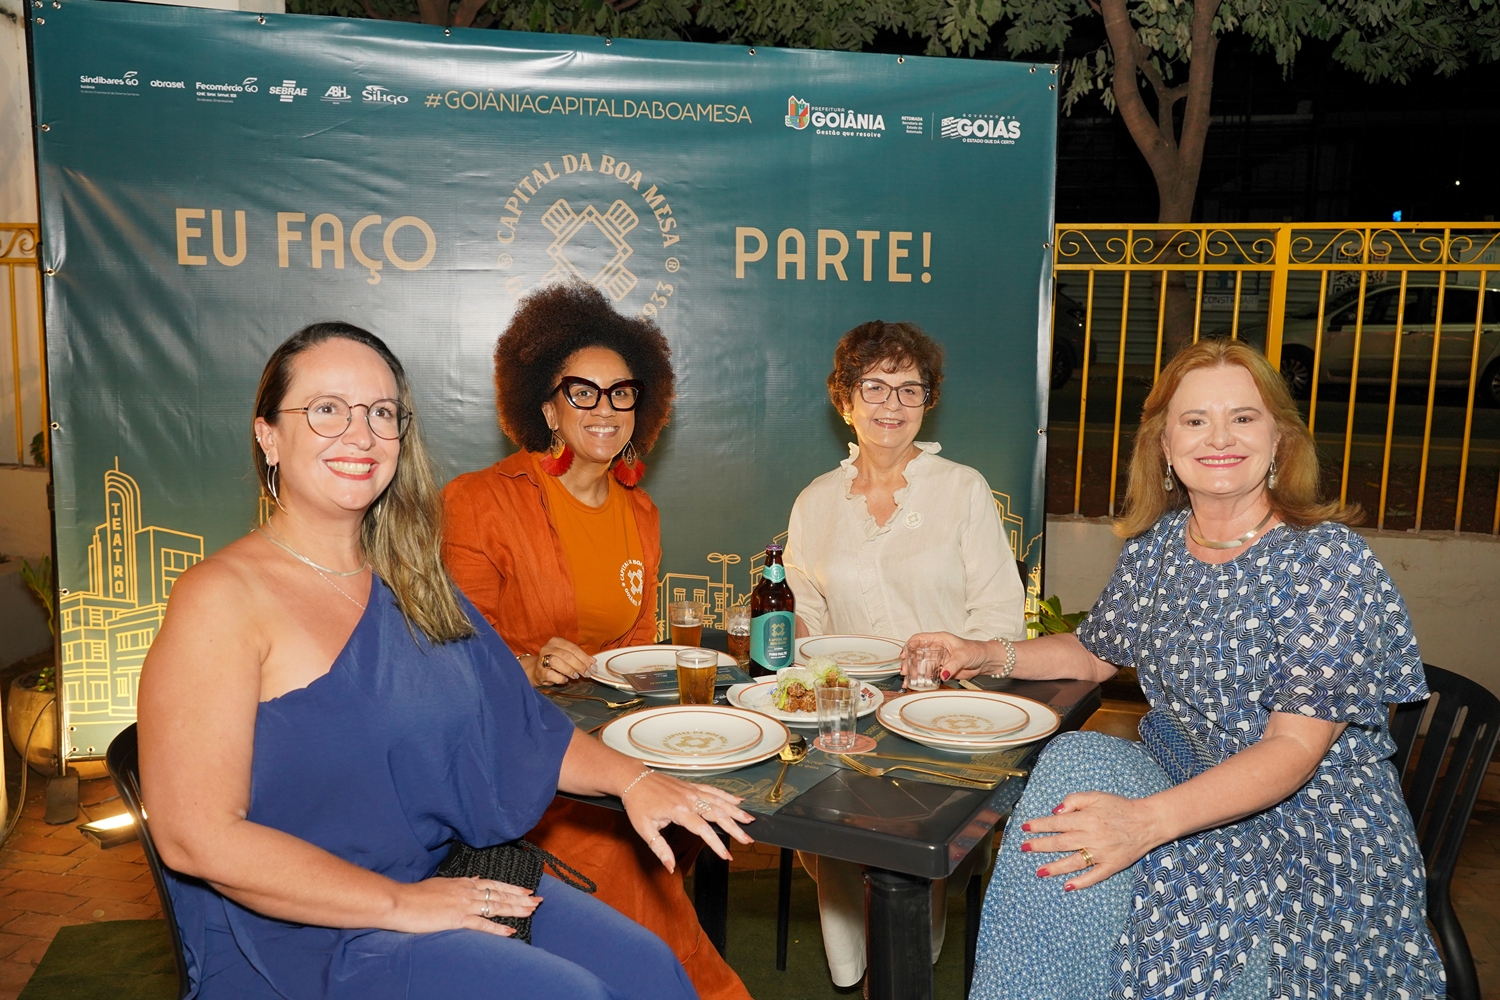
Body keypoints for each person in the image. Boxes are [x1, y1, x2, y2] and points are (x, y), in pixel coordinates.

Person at [138, 322, 754, 1000]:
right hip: (306, 927)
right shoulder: (219, 598)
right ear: (268, 436)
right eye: (326, 409)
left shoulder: (413, 579)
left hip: (445, 875)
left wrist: (636, 781)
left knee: (650, 968)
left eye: (381, 413)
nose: (360, 435)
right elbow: (195, 837)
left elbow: (521, 726)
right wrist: (401, 904)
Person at [908, 338, 1445, 1000]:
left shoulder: (1329, 563)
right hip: (1184, 776)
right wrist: (984, 652)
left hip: (1310, 827)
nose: (1219, 437)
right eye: (1195, 420)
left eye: (1243, 417)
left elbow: (1293, 751)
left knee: (1158, 892)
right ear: (1164, 445)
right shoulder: (1161, 544)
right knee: (1076, 760)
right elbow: (1098, 652)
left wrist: (1144, 823)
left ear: (1279, 438)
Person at [442, 283, 752, 1000]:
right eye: (581, 392)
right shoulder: (479, 501)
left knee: (696, 802)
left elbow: (635, 648)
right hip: (517, 760)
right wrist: (527, 663)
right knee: (629, 862)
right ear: (546, 406)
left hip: (610, 746)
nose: (604, 409)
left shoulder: (641, 513)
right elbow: (453, 656)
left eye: (621, 394)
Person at [782, 320, 1027, 989]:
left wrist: (946, 672)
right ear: (845, 400)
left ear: (928, 401)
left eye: (909, 389)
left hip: (944, 713)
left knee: (913, 844)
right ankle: (860, 971)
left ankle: (900, 964)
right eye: (874, 387)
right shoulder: (815, 501)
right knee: (827, 810)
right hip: (848, 713)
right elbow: (804, 618)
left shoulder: (962, 489)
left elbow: (999, 618)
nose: (891, 404)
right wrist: (796, 642)